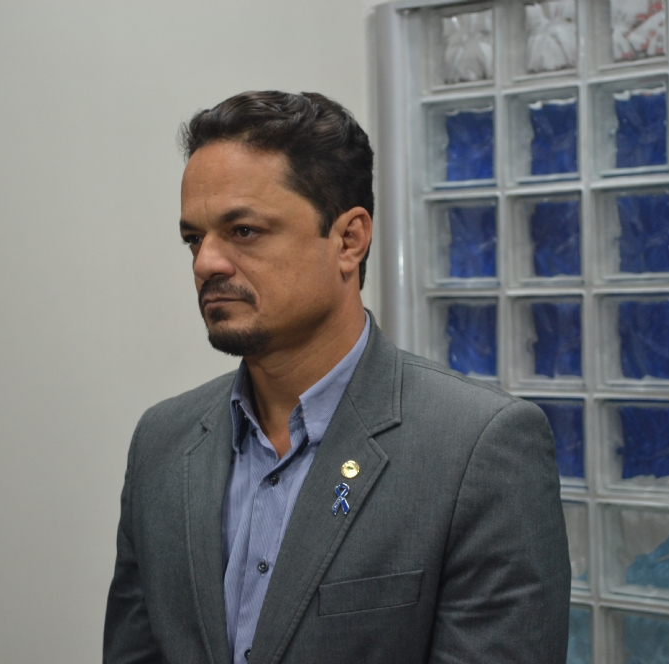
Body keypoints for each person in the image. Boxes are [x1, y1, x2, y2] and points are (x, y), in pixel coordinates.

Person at [103, 91, 570, 664]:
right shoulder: (162, 442)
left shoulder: (477, 447)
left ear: (349, 240)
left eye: (243, 231)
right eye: (194, 239)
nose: (206, 263)